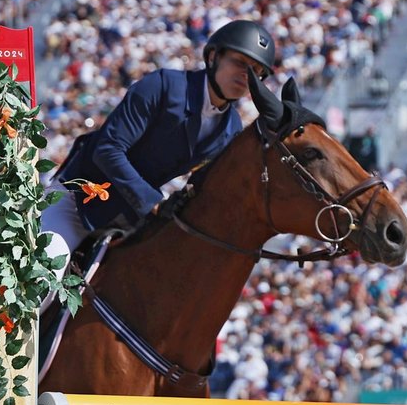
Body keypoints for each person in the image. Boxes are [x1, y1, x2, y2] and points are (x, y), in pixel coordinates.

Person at [41, 19, 277, 276]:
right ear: (213, 56)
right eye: (240, 63)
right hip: (79, 202)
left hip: (127, 222)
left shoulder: (230, 127)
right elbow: (108, 149)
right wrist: (153, 202)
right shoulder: (164, 85)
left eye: (256, 71)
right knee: (40, 280)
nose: (247, 75)